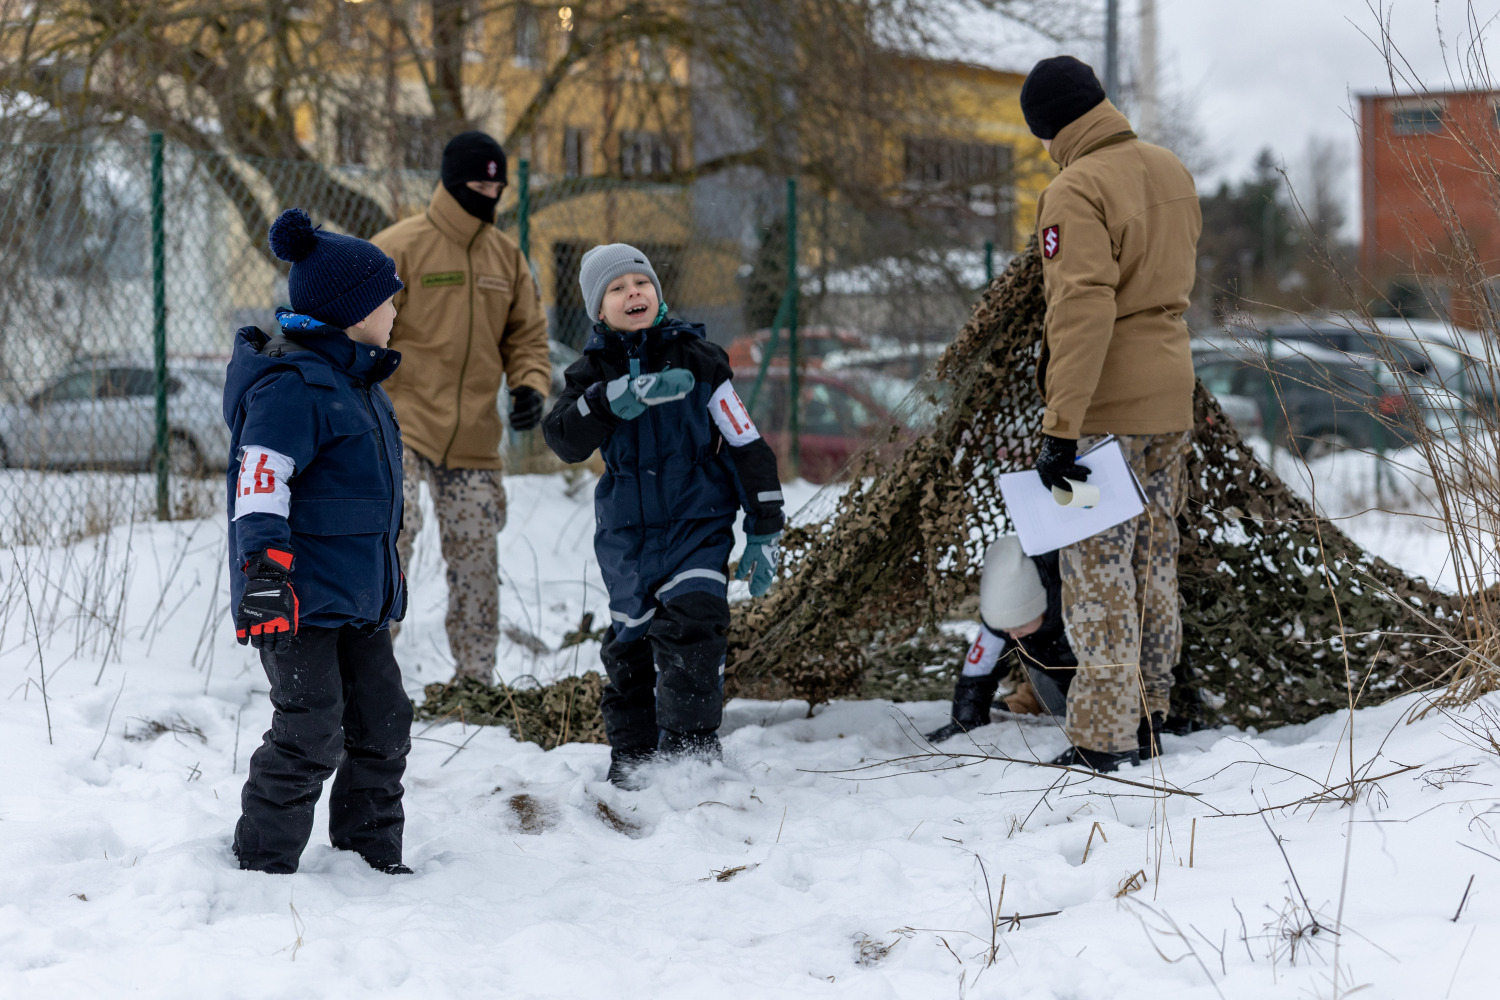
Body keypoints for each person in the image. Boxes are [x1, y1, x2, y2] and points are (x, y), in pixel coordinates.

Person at [541, 244, 785, 788]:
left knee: (694, 624)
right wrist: (609, 400)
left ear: (658, 292)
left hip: (698, 518)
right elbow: (562, 439)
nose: (634, 293)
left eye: (641, 283)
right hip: (627, 532)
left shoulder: (699, 360)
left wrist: (764, 526)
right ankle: (633, 760)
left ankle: (692, 756)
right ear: (598, 310)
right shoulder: (589, 374)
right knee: (630, 643)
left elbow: (746, 444)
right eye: (618, 288)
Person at [1022, 56, 1202, 773]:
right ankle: (1152, 711)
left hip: (1103, 415)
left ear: (1048, 126)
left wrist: (1060, 426)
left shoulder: (1075, 188)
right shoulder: (1170, 169)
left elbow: (1082, 310)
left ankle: (1101, 735)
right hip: (1168, 405)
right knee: (1155, 557)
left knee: (1097, 569)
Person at [225, 208, 411, 874]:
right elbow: (260, 487)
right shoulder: (293, 388)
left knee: (384, 722)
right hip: (295, 599)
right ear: (352, 309)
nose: (396, 305)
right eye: (387, 295)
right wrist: (265, 577)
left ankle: (369, 855)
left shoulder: (361, 386)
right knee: (311, 728)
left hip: (355, 598)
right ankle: (263, 864)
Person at [371, 130, 551, 683]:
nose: (488, 194)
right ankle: (367, 674)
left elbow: (527, 335)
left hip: (474, 434)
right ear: (452, 181)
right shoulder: (400, 245)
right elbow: (360, 326)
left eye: (495, 186)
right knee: (392, 535)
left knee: (476, 556)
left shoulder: (507, 257)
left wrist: (529, 385)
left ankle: (476, 682)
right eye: (477, 183)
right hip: (401, 422)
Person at [923, 536, 1076, 744]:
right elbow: (978, 669)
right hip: (1057, 677)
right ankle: (1025, 704)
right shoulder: (1004, 615)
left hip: (1106, 686)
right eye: (1006, 629)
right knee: (1042, 675)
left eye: (1020, 626)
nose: (1012, 635)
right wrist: (967, 720)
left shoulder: (1077, 608)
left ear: (1041, 608)